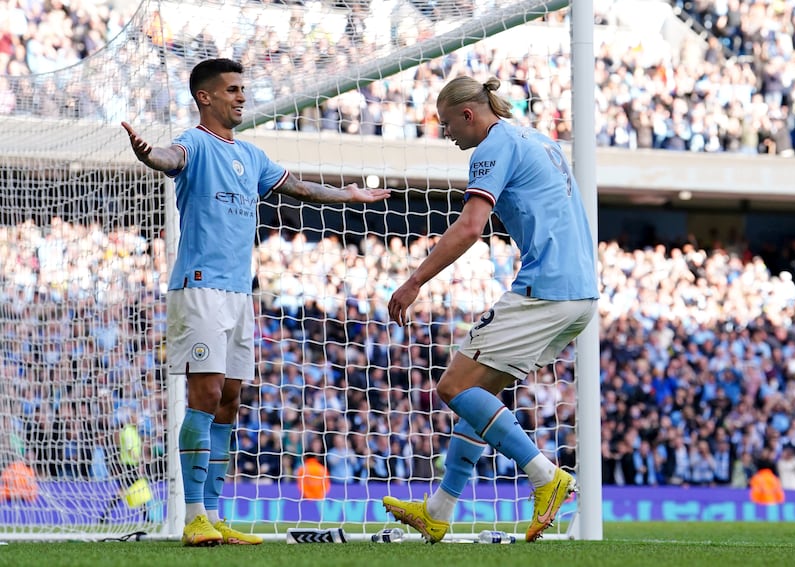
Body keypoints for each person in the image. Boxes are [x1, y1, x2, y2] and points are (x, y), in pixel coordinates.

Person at [122, 58, 390, 547]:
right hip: (200, 287)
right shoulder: (195, 142)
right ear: (206, 97)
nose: (242, 96)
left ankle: (216, 513)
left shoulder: (252, 154)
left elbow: (301, 188)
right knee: (204, 396)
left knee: (229, 400)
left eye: (243, 88)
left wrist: (349, 195)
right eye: (232, 89)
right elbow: (169, 158)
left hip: (239, 293)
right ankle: (194, 515)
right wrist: (147, 155)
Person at [381, 75, 598, 543]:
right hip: (580, 292)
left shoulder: (493, 146)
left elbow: (470, 227)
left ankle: (545, 476)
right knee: (479, 399)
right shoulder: (536, 137)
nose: (448, 135)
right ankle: (438, 510)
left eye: (447, 125)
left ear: (468, 114)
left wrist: (414, 280)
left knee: (453, 386)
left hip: (547, 288)